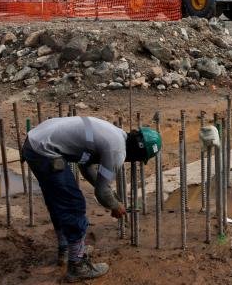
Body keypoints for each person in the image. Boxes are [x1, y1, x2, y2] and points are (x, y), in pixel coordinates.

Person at [22, 116, 161, 282]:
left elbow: (85, 165)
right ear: (139, 154)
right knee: (72, 205)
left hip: (36, 141)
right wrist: (115, 205)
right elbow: (101, 193)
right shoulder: (117, 152)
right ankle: (77, 264)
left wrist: (108, 193)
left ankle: (67, 248)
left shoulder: (116, 135)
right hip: (44, 151)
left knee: (58, 201)